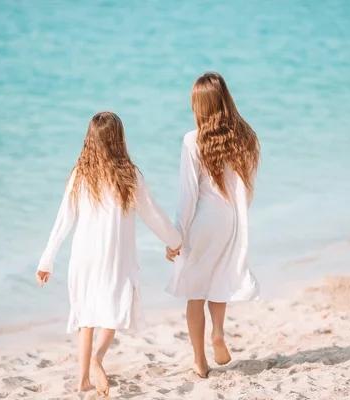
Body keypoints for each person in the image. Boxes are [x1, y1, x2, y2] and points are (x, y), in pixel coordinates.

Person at [36, 111, 182, 395]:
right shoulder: (130, 174)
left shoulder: (80, 174)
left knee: (85, 318)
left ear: (89, 140)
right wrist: (174, 241)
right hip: (116, 257)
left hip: (84, 257)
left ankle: (82, 381)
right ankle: (97, 359)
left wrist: (47, 259)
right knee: (115, 311)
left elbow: (63, 219)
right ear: (119, 138)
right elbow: (153, 214)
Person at [165, 72, 260, 378]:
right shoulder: (246, 137)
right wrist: (239, 217)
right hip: (231, 219)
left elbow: (187, 193)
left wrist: (176, 235)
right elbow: (249, 187)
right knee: (219, 282)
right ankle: (218, 331)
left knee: (196, 291)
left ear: (199, 105)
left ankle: (199, 360)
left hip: (202, 221)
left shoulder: (193, 140)